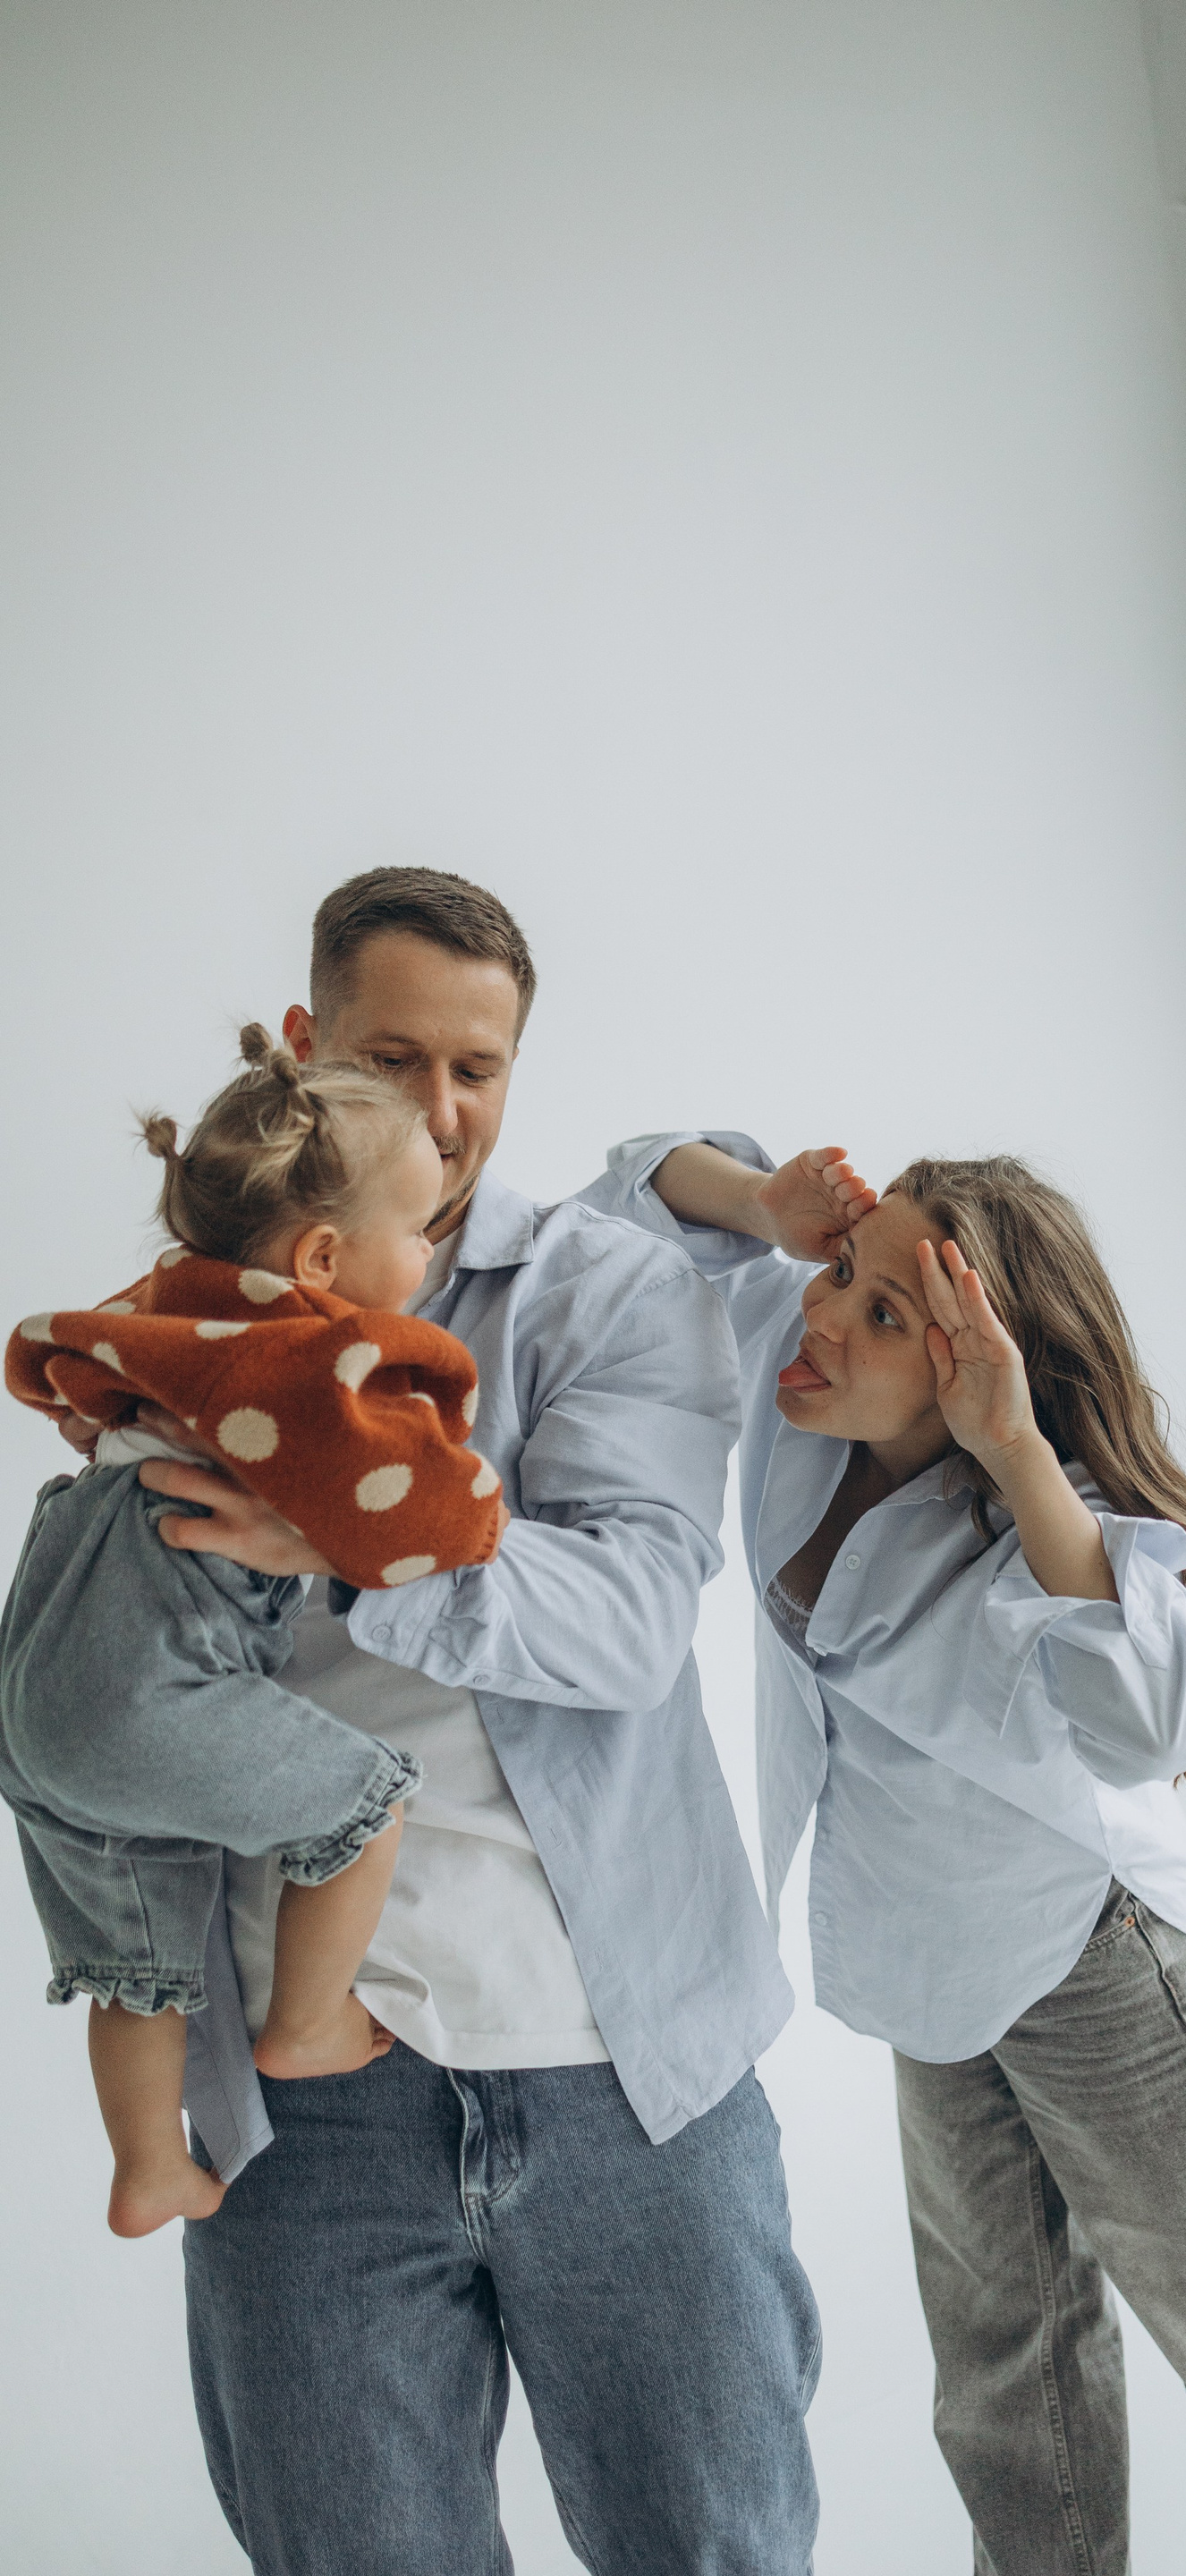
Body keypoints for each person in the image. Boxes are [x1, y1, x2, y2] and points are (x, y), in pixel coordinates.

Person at [587, 1130, 1186, 2576]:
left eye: (885, 1313)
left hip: (1100, 1966)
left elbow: (1162, 1720)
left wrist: (1018, 1456)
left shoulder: (1036, 1524)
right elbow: (633, 1195)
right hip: (930, 1974)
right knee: (1005, 2386)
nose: (824, 1316)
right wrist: (768, 1207)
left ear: (976, 1365)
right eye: (843, 1277)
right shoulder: (796, 1385)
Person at [115, 875, 819, 2576]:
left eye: (479, 1071)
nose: (441, 1114)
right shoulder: (186, 1323)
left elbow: (632, 1622)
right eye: (392, 1059)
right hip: (308, 2098)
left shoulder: (607, 1293)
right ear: (304, 1047)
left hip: (628, 2076)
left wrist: (345, 1546)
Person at [2, 1029, 504, 2237]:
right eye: (418, 1232)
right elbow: (427, 1517)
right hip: (145, 1693)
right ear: (323, 1259)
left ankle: (148, 2166)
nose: (429, 1255)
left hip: (37, 1691)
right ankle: (309, 2022)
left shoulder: (177, 1310)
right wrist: (477, 1502)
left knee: (140, 1956)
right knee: (368, 1805)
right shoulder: (305, 1361)